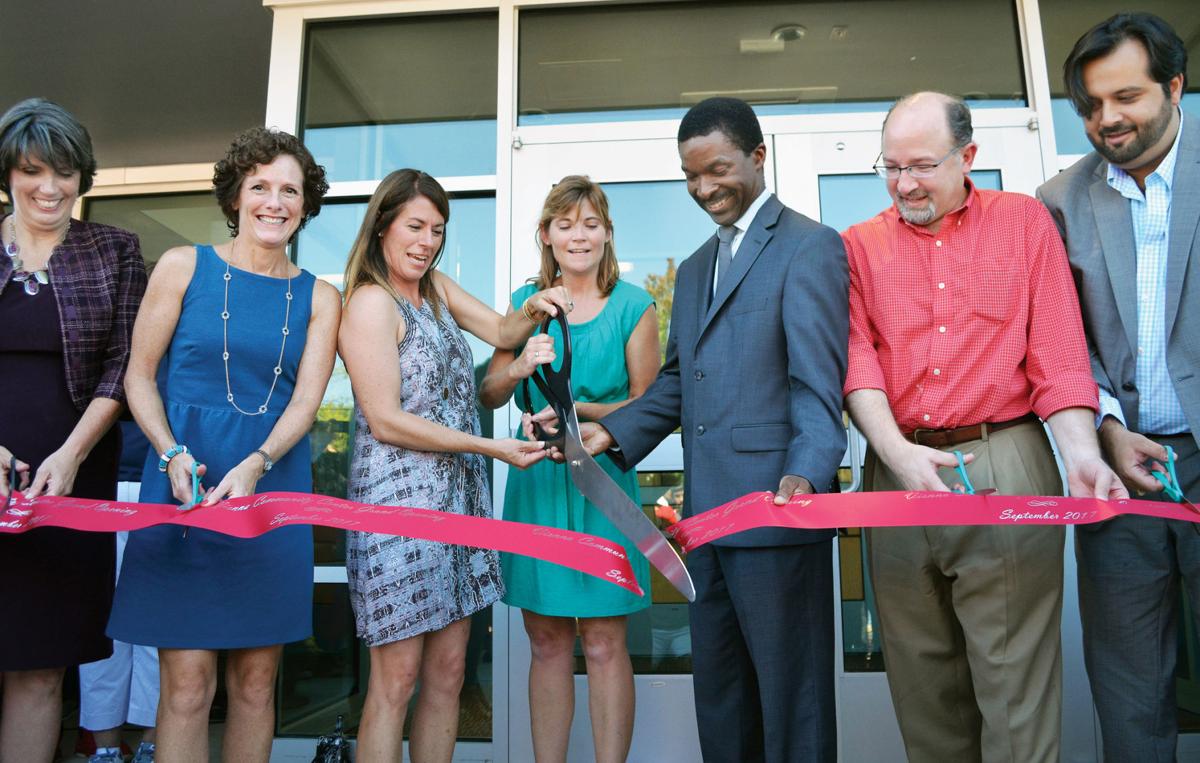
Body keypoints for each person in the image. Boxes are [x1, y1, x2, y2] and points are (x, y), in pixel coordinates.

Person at [841, 91, 1125, 763]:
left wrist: (1082, 454)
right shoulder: (858, 246)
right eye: (890, 166)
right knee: (924, 688)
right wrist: (895, 454)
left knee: (1014, 692)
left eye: (922, 165)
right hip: (896, 471)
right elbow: (857, 362)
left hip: (1005, 459)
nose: (904, 183)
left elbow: (1057, 354)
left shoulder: (1025, 224)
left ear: (967, 157)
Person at [572, 97, 849, 762]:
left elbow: (817, 381)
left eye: (716, 170)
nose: (703, 189)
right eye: (690, 176)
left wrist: (808, 472)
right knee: (722, 700)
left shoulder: (811, 246)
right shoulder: (695, 267)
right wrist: (607, 434)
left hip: (778, 510)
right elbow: (676, 379)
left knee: (793, 703)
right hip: (705, 526)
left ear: (758, 158)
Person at [107, 126, 341, 763]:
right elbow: (138, 375)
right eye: (259, 185)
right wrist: (169, 452)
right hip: (182, 481)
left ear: (306, 203)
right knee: (185, 686)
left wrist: (259, 463)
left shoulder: (322, 296)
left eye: (289, 189)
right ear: (235, 196)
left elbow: (306, 402)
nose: (274, 201)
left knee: (257, 682)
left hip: (272, 484)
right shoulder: (185, 266)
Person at [336, 168, 569, 763]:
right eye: (415, 226)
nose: (426, 242)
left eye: (437, 230)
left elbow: (499, 328)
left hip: (459, 505)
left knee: (449, 672)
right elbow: (385, 419)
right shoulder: (368, 302)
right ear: (383, 224)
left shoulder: (435, 287)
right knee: (395, 681)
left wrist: (534, 305)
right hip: (397, 514)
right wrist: (488, 447)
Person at [1037, 13, 1200, 760]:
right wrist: (1102, 425)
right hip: (1119, 473)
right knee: (1131, 697)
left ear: (1175, 85)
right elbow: (1059, 337)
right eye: (1091, 106)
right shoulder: (1060, 200)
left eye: (1126, 97)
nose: (1108, 120)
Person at [479, 175, 659, 762]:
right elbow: (491, 392)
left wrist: (574, 413)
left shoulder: (635, 305)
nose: (578, 235)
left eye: (590, 223)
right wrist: (520, 363)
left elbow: (648, 402)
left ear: (607, 234)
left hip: (604, 484)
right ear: (546, 235)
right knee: (546, 640)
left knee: (605, 640)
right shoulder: (523, 303)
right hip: (537, 484)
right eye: (565, 224)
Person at [0, 97, 147, 763]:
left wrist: (70, 453)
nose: (50, 188)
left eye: (65, 172)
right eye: (33, 170)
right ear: (8, 172)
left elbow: (126, 365)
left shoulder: (113, 250)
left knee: (39, 666)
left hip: (70, 483)